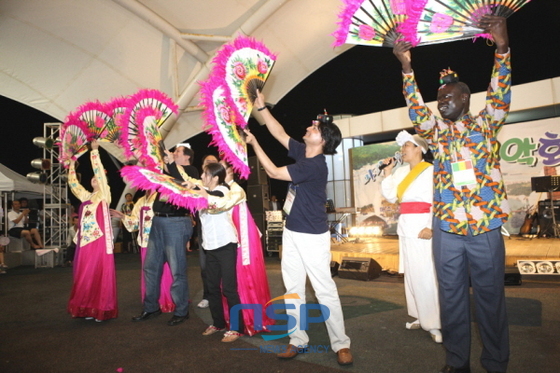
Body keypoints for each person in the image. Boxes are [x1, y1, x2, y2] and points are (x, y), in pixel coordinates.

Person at [393, 15, 511, 373]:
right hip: (446, 230)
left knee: (490, 301)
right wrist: (406, 66)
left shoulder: (488, 121)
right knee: (453, 300)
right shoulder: (437, 133)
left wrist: (502, 47)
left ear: (465, 97)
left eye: (446, 97)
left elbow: (501, 90)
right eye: (438, 98)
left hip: (485, 227)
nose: (439, 102)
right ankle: (457, 363)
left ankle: (495, 364)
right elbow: (416, 109)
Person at [243, 90, 353, 366]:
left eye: (315, 128)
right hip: (292, 232)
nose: (309, 126)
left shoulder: (316, 165)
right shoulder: (304, 151)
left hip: (313, 236)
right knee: (293, 289)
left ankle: (341, 344)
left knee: (324, 289)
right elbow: (279, 132)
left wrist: (255, 143)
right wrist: (261, 107)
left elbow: (275, 173)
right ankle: (297, 340)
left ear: (323, 140)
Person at [380, 130, 441, 343]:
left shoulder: (431, 170)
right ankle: (419, 316)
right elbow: (390, 195)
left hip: (422, 227)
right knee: (411, 275)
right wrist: (388, 172)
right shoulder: (401, 171)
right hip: (405, 227)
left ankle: (434, 322)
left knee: (425, 274)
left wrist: (430, 225)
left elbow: (438, 200)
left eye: (406, 146)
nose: (402, 150)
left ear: (419, 149)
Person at [131, 144, 198, 326]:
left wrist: (170, 165)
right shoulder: (166, 170)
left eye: (177, 152)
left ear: (186, 157)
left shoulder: (191, 171)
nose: (173, 153)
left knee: (177, 270)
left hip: (176, 222)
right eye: (172, 151)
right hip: (158, 221)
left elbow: (181, 184)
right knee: (150, 267)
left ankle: (181, 311)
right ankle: (151, 307)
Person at [185, 162, 244, 342]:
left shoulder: (223, 191)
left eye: (205, 174)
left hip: (226, 245)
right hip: (209, 247)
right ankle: (218, 323)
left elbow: (217, 200)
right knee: (211, 288)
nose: (202, 176)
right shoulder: (203, 191)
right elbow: (190, 184)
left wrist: (201, 191)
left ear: (215, 178)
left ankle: (236, 328)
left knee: (229, 289)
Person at [217, 160, 275, 336]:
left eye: (220, 167)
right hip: (231, 238)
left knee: (244, 276)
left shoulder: (235, 190)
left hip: (243, 240)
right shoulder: (224, 189)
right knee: (229, 277)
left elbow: (220, 205)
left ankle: (250, 319)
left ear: (230, 171)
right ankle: (234, 318)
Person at [67, 140, 117, 322]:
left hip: (99, 240)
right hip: (85, 241)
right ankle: (88, 307)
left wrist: (94, 152)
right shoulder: (87, 196)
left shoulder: (104, 193)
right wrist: (71, 163)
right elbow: (74, 185)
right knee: (84, 275)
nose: (95, 179)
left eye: (99, 178)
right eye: (94, 178)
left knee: (98, 272)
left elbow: (99, 173)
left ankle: (101, 308)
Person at [111, 191, 175, 313]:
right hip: (145, 241)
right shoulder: (140, 200)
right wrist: (123, 216)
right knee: (149, 273)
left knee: (164, 270)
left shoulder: (163, 196)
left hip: (161, 240)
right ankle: (151, 301)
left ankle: (166, 300)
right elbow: (135, 222)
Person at [195, 153, 220, 309]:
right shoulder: (197, 184)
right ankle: (207, 295)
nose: (210, 164)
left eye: (213, 162)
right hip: (204, 231)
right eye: (207, 162)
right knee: (205, 266)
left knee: (223, 266)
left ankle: (222, 295)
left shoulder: (223, 186)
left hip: (222, 233)